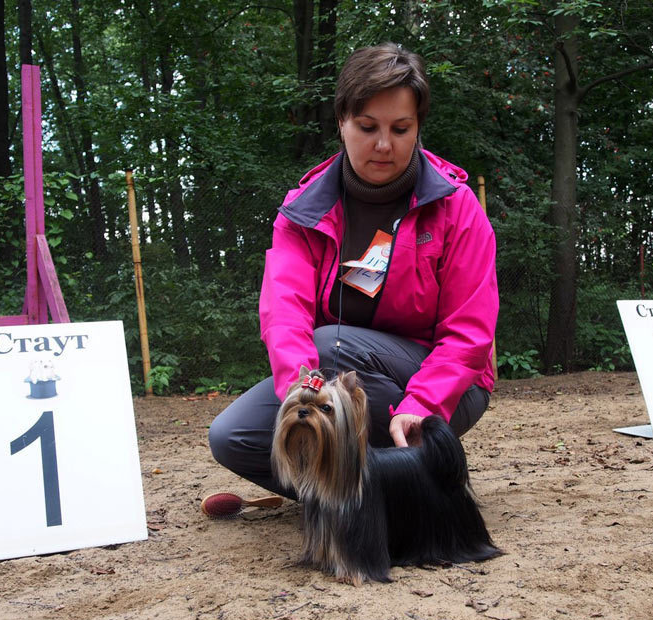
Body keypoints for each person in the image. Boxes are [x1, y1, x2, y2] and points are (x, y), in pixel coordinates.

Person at [208, 43, 498, 500]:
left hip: (444, 384)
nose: (384, 144)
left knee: (330, 345)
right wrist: (301, 393)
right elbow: (284, 314)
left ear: (418, 128)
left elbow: (469, 334)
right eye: (367, 127)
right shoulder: (302, 211)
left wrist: (422, 403)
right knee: (233, 437)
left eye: (401, 129)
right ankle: (367, 498)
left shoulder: (457, 208)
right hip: (332, 376)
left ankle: (392, 491)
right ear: (341, 121)